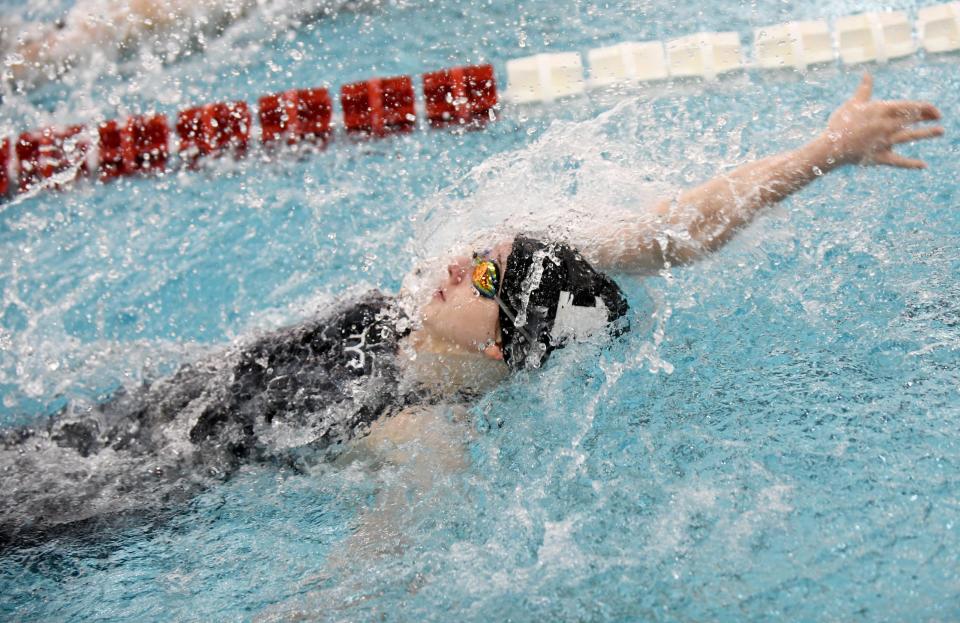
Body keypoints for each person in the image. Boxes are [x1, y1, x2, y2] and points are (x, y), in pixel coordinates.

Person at [0, 74, 943, 548]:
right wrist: (821, 151)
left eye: (480, 278)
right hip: (120, 420)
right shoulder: (394, 317)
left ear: (505, 342)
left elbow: (383, 556)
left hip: (101, 497)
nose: (455, 263)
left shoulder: (419, 426)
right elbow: (672, 234)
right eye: (475, 255)